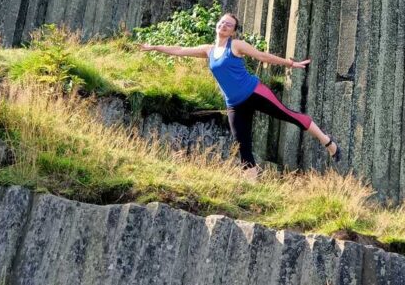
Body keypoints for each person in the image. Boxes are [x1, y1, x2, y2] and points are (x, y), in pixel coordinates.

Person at [140, 11, 341, 178]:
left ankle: (328, 142)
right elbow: (180, 49)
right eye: (222, 22)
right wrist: (155, 47)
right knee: (241, 144)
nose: (224, 25)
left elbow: (261, 56)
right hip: (234, 104)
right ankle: (252, 183)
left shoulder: (235, 45)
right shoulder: (208, 50)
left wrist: (289, 63)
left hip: (254, 92)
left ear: (233, 31)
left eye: (229, 24)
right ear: (217, 25)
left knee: (288, 115)